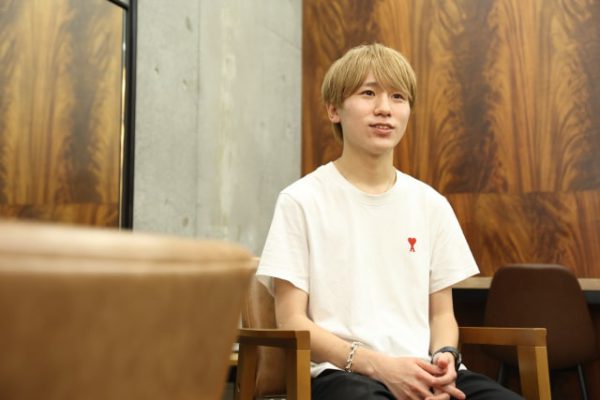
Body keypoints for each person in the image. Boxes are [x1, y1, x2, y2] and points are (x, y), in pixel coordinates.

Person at [257, 43, 522, 400]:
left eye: (398, 97)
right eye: (368, 93)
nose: (384, 108)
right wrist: (378, 366)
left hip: (424, 372)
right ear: (334, 109)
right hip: (341, 374)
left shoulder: (431, 204)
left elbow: (441, 316)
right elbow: (291, 321)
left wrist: (445, 357)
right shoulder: (301, 200)